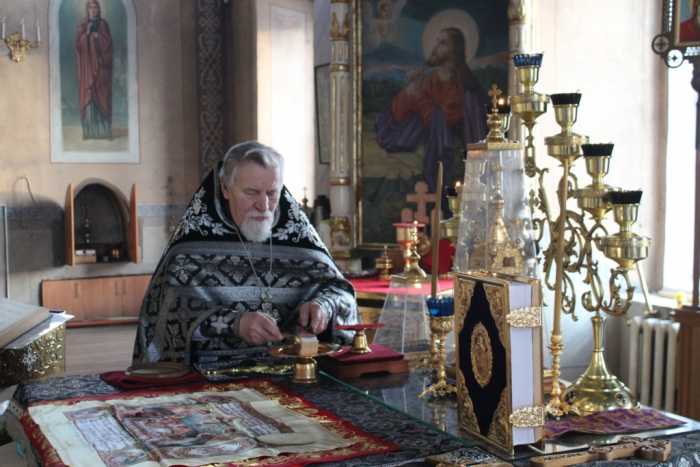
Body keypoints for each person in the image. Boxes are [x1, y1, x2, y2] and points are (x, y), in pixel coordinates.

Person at [133, 141, 357, 365]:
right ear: (225, 188)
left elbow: (341, 293)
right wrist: (233, 323)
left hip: (294, 371)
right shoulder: (188, 249)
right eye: (251, 193)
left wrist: (324, 306)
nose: (264, 205)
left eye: (272, 193)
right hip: (210, 374)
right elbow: (165, 317)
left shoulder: (300, 239)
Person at [375, 27, 489, 192]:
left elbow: (464, 118)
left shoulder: (467, 87)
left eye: (442, 43)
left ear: (455, 50)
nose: (435, 48)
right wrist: (409, 93)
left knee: (438, 116)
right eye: (436, 42)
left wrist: (428, 108)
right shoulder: (426, 80)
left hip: (451, 138)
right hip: (422, 132)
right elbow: (400, 112)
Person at [76, 0, 113, 140]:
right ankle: (89, 132)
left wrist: (97, 38)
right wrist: (87, 35)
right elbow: (78, 46)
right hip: (87, 71)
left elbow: (108, 44)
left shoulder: (103, 24)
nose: (93, 10)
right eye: (90, 7)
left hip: (101, 70)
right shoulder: (83, 25)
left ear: (99, 9)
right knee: (88, 97)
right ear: (87, 10)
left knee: (102, 97)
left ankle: (104, 132)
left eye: (95, 7)